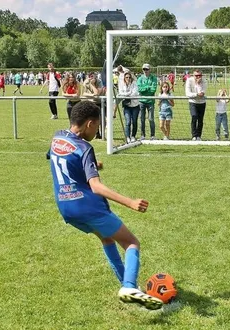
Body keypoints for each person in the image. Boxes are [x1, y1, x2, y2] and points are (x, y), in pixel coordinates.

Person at [46, 101, 163, 311]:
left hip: (66, 207)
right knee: (131, 242)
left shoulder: (57, 137)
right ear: (89, 123)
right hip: (87, 205)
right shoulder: (85, 147)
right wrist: (130, 202)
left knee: (106, 237)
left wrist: (91, 164)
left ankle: (128, 286)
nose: (98, 129)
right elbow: (96, 187)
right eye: (98, 125)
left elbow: (57, 157)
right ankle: (128, 287)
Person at [117, 71, 140, 143]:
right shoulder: (122, 85)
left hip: (135, 105)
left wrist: (126, 94)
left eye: (129, 77)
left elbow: (134, 93)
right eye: (126, 77)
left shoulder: (134, 84)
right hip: (127, 106)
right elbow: (120, 93)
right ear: (124, 78)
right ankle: (127, 137)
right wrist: (128, 93)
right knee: (128, 122)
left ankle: (133, 136)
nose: (128, 78)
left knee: (134, 121)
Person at [137, 64, 158, 140]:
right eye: (144, 69)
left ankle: (153, 135)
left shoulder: (154, 78)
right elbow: (140, 90)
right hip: (141, 101)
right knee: (142, 119)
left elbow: (153, 90)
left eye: (147, 69)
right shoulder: (139, 78)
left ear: (150, 70)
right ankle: (143, 135)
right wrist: (148, 87)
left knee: (151, 119)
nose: (145, 71)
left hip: (150, 101)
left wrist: (145, 88)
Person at [185, 69, 207, 141]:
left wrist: (198, 84)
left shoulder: (204, 81)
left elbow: (202, 93)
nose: (198, 77)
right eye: (196, 75)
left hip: (202, 103)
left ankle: (199, 136)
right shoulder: (189, 80)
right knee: (194, 117)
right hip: (193, 102)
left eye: (199, 75)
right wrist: (196, 94)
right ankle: (194, 135)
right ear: (193, 75)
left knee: (200, 120)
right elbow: (188, 93)